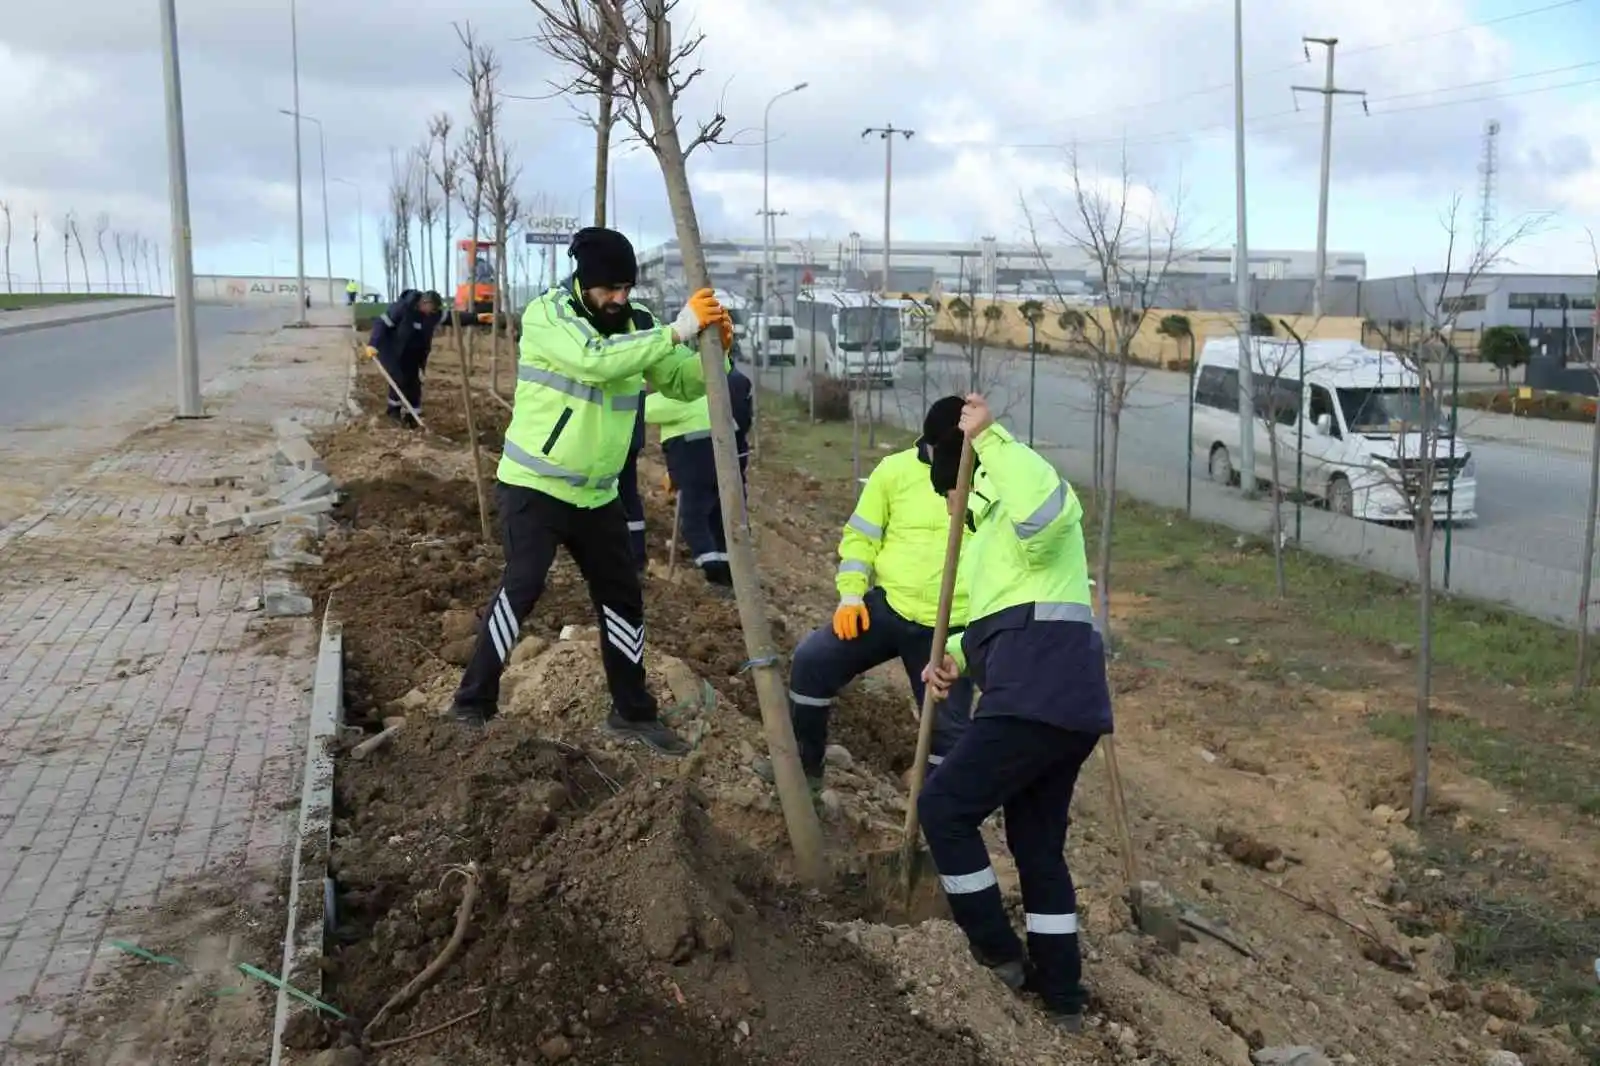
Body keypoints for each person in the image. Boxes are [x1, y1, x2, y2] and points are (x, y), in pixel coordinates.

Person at [448, 227, 731, 756]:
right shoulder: (549, 315)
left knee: (622, 597)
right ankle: (472, 704)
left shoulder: (640, 322)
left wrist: (716, 353)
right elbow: (594, 360)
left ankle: (632, 712)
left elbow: (681, 383)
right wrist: (676, 330)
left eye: (626, 288)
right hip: (534, 485)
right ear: (584, 281)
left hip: (598, 495)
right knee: (523, 586)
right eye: (609, 289)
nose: (619, 299)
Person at [917, 393, 1112, 1032]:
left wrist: (992, 437)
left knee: (944, 808)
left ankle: (996, 953)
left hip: (1036, 694)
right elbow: (996, 621)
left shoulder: (1026, 488)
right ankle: (1063, 996)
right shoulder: (987, 534)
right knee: (1036, 846)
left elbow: (1047, 517)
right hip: (1066, 699)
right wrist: (951, 656)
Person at [756, 397, 977, 789]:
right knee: (812, 661)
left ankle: (933, 810)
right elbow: (860, 538)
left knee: (951, 733)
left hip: (951, 629)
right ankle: (805, 768)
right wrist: (851, 596)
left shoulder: (985, 481)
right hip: (889, 608)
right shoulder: (893, 472)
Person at [644, 357, 753, 589]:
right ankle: (727, 571)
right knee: (716, 518)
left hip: (695, 467)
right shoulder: (711, 392)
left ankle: (711, 568)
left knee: (693, 518)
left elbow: (644, 409)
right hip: (724, 466)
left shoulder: (680, 395)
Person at [365, 289, 443, 427]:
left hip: (413, 353)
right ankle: (393, 412)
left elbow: (452, 317)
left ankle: (412, 416)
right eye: (432, 308)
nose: (432, 312)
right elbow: (381, 324)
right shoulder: (402, 308)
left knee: (414, 383)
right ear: (424, 303)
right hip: (391, 350)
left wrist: (477, 318)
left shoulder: (431, 315)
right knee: (398, 379)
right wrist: (373, 344)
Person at [618, 389, 648, 572]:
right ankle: (636, 555)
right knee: (629, 496)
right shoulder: (635, 373)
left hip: (613, 442)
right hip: (630, 439)